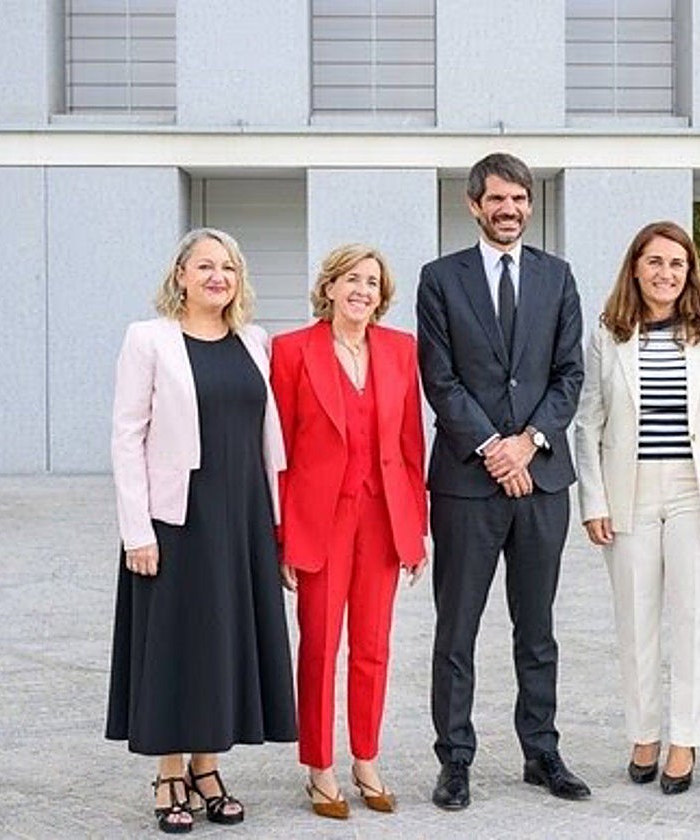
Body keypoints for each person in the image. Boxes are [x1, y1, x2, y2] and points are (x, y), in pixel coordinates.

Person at [106, 228, 297, 833]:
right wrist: (138, 530)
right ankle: (169, 770)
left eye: (230, 269)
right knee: (175, 643)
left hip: (241, 515)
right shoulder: (149, 339)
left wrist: (278, 524)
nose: (219, 277)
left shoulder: (255, 340)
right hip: (175, 518)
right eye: (206, 266)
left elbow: (270, 436)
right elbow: (126, 436)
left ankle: (208, 766)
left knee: (222, 641)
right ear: (181, 275)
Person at [416, 152, 588, 809]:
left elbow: (568, 373)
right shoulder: (440, 279)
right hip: (467, 482)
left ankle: (541, 752)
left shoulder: (558, 276)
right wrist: (494, 447)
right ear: (474, 204)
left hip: (542, 481)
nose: (510, 210)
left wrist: (528, 444)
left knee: (537, 628)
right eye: (497, 200)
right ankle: (455, 759)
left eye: (519, 199)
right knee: (457, 628)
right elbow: (439, 377)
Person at [575, 220, 700, 795]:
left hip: (694, 491)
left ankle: (685, 740)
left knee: (695, 622)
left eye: (677, 264)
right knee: (636, 623)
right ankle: (644, 733)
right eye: (655, 262)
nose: (666, 274)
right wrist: (593, 499)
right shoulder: (609, 332)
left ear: (689, 271)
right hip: (627, 490)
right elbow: (589, 421)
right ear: (635, 268)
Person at [270, 244, 428, 819]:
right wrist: (282, 533)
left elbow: (412, 444)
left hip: (382, 519)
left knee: (373, 647)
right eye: (352, 279)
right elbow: (279, 450)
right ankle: (320, 765)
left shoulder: (399, 349)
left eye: (373, 282)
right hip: (320, 521)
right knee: (319, 646)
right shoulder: (290, 352)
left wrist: (417, 529)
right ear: (330, 286)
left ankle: (365, 757)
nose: (363, 290)